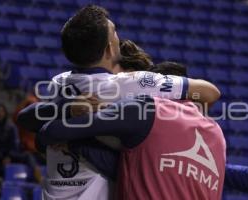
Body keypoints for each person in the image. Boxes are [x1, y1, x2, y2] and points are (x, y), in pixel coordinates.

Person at [18, 5, 221, 199]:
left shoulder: (58, 82)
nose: (119, 36)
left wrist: (68, 109)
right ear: (109, 48)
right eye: (114, 32)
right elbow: (209, 93)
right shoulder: (132, 84)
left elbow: (29, 121)